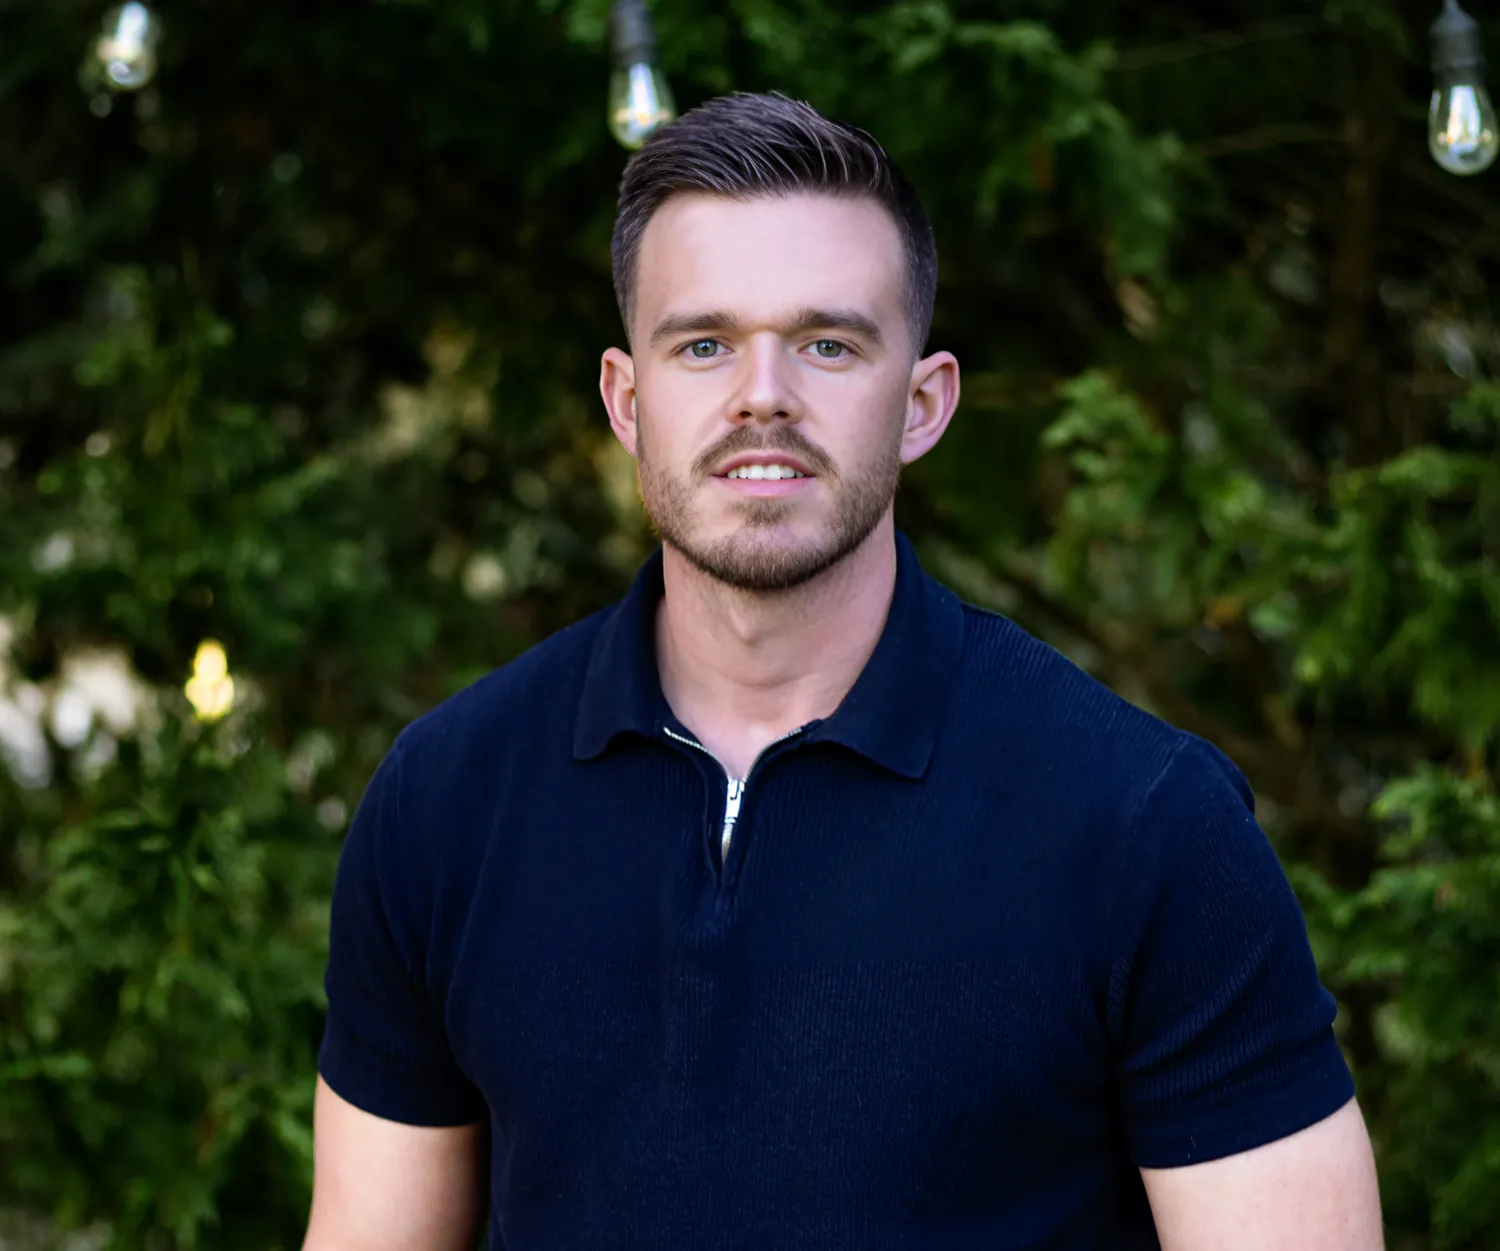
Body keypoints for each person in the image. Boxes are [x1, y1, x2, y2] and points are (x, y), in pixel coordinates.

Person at [302, 92, 1384, 1250]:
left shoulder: (1142, 823)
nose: (762, 395)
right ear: (628, 401)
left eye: (828, 343)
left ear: (922, 404)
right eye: (704, 343)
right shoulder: (447, 799)